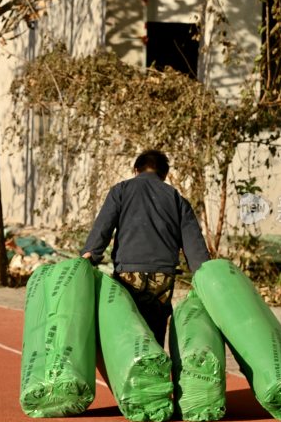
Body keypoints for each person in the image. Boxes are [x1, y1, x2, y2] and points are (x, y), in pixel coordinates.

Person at [81, 149, 210, 347]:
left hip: (129, 274)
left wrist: (89, 257)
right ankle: (155, 372)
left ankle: (128, 372)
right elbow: (195, 248)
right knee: (155, 331)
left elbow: (103, 228)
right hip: (163, 277)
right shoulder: (176, 198)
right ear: (164, 174)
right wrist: (206, 278)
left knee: (128, 329)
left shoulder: (121, 190)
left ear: (135, 170)